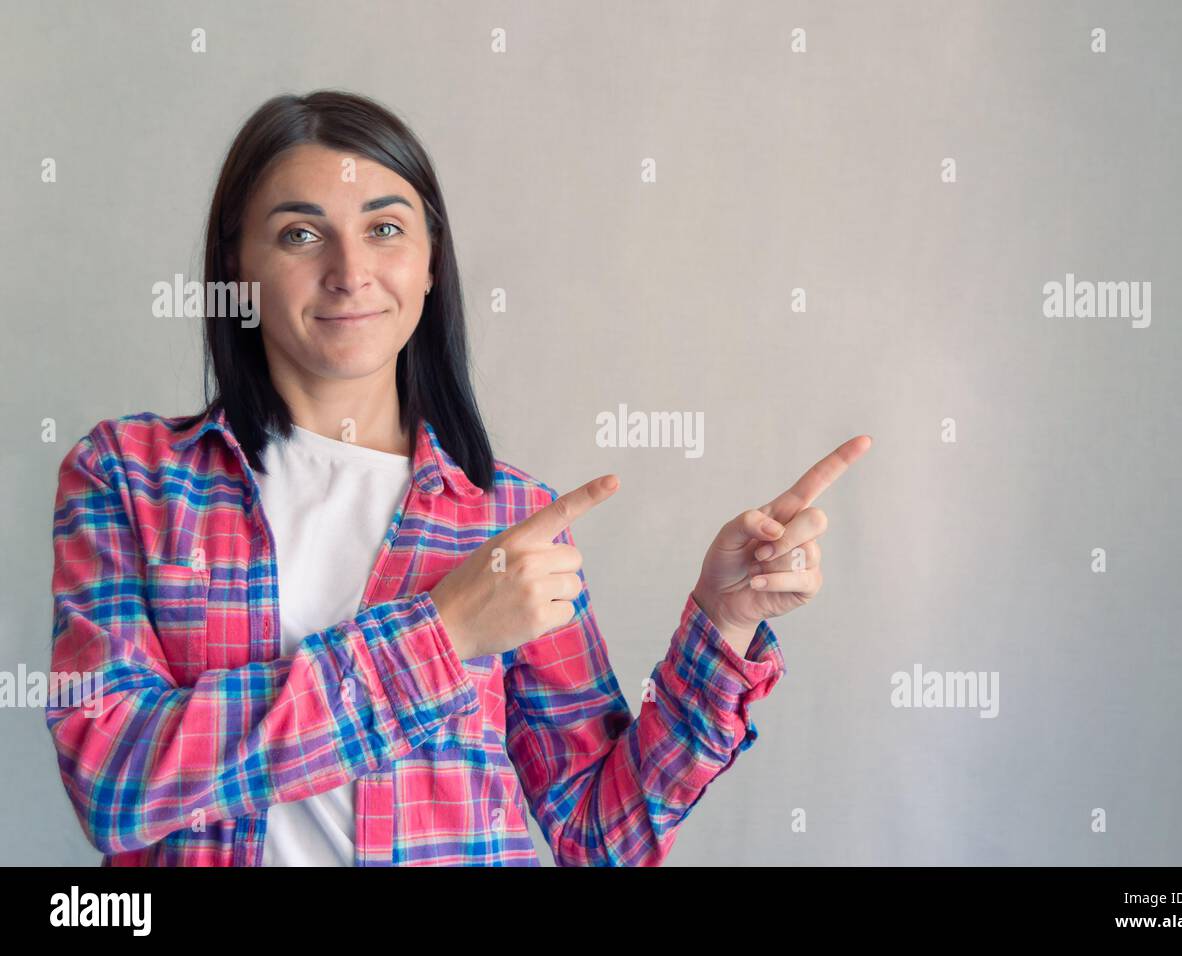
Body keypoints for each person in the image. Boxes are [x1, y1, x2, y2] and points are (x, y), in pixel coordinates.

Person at [46, 89, 870, 866]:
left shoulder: (511, 517)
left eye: (385, 229)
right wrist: (438, 639)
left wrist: (721, 627)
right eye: (301, 234)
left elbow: (599, 832)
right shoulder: (129, 478)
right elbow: (113, 778)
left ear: (432, 261)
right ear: (238, 264)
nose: (349, 270)